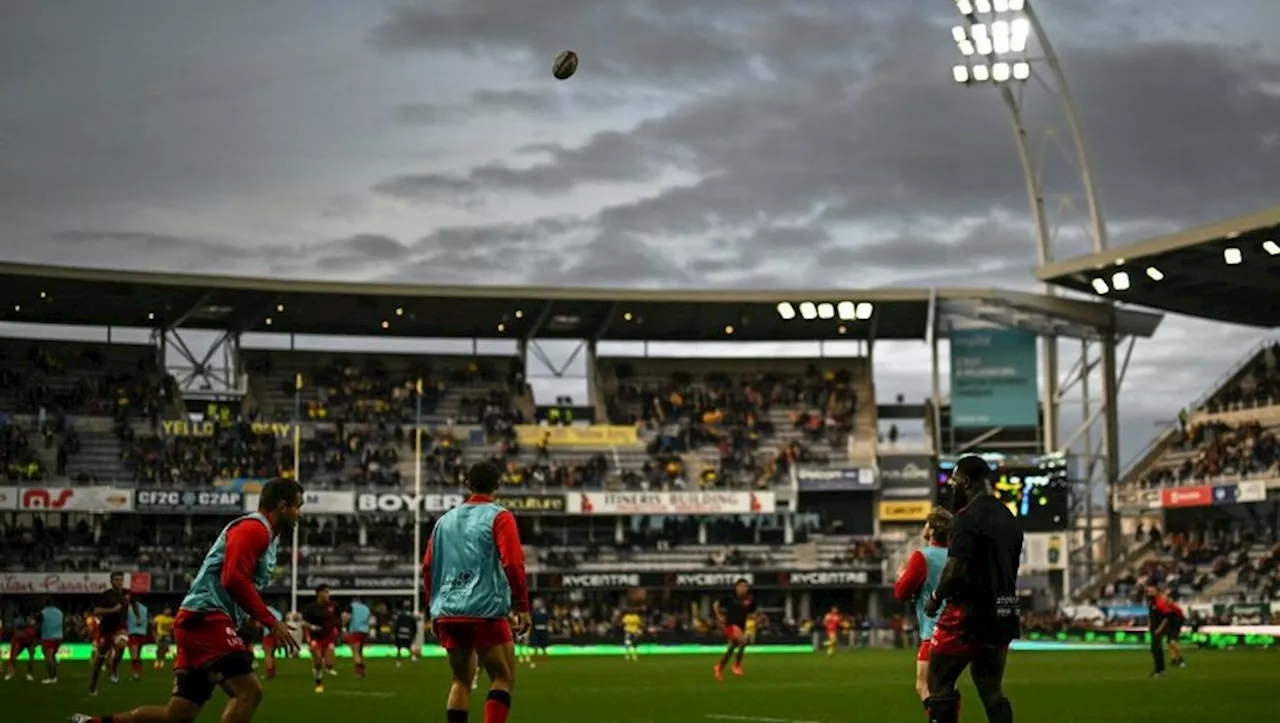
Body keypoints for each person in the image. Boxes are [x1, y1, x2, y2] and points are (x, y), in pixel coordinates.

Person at [70, 477, 304, 723]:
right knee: (249, 692)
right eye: (297, 507)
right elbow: (233, 578)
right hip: (206, 617)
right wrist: (271, 621)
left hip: (198, 621)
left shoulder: (266, 536)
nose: (299, 514)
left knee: (178, 715)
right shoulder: (254, 529)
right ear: (282, 505)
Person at [423, 461, 530, 723]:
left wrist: (434, 607)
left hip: (449, 610)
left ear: (467, 484)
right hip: (485, 610)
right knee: (503, 678)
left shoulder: (443, 521)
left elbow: (428, 567)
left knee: (460, 680)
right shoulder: (500, 516)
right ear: (498, 485)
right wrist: (522, 605)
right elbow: (513, 563)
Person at [922, 455, 1023, 723]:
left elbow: (955, 570)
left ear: (966, 482)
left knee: (938, 681)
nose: (951, 486)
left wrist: (935, 597)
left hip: (969, 612)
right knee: (991, 688)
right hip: (1004, 609)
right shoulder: (1008, 517)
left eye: (954, 481)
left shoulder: (964, 519)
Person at [893, 507, 953, 701]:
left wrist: (901, 577)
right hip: (957, 632)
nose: (924, 527)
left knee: (923, 686)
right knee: (947, 688)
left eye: (927, 524)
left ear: (933, 530)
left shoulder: (923, 556)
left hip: (933, 635)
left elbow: (901, 592)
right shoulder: (955, 556)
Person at [89, 572, 141, 695]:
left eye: (121, 580)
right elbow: (96, 610)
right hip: (106, 629)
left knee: (122, 644)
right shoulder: (106, 595)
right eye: (116, 580)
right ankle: (93, 684)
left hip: (120, 628)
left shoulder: (127, 593)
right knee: (100, 659)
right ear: (111, 581)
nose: (119, 582)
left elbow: (134, 604)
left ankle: (113, 669)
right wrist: (111, 610)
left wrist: (138, 617)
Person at [712, 578, 762, 680]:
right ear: (736, 588)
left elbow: (753, 611)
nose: (743, 588)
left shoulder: (749, 601)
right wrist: (719, 616)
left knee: (732, 648)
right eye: (741, 586)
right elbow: (716, 604)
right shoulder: (730, 598)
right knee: (743, 641)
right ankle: (736, 665)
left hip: (741, 627)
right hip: (731, 626)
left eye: (745, 586)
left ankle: (719, 667)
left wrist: (756, 619)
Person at [302, 586, 341, 693]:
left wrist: (337, 629)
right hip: (315, 637)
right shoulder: (311, 607)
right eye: (326, 592)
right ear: (319, 593)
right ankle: (318, 681)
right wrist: (312, 627)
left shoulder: (333, 606)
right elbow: (303, 622)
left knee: (329, 663)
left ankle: (327, 668)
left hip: (328, 637)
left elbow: (338, 619)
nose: (328, 594)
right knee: (318, 661)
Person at [5, 613, 38, 681]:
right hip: (19, 642)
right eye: (30, 619)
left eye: (32, 619)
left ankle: (29, 674)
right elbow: (16, 636)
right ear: (26, 620)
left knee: (32, 657)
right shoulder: (22, 627)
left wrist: (34, 644)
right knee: (13, 657)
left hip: (30, 642)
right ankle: (10, 673)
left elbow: (35, 638)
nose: (32, 621)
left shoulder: (35, 628)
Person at [38, 601, 64, 684]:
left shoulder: (43, 612)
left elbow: (39, 622)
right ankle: (54, 675)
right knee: (52, 656)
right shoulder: (59, 612)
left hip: (48, 637)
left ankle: (51, 677)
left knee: (48, 658)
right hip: (59, 637)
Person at [345, 597, 371, 679]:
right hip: (364, 632)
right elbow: (368, 619)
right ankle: (362, 670)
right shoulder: (366, 608)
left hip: (355, 630)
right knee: (360, 652)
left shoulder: (351, 606)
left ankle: (360, 672)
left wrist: (343, 625)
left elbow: (347, 617)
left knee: (355, 652)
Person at [126, 599, 150, 682]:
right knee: (138, 655)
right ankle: (138, 674)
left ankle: (136, 675)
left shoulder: (128, 608)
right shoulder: (145, 608)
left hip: (133, 633)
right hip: (142, 633)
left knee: (134, 656)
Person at [1162, 589, 1187, 669]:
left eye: (1165, 597)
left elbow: (1180, 614)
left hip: (1175, 625)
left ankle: (1180, 659)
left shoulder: (1173, 606)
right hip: (1170, 625)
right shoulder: (1166, 606)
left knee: (1172, 642)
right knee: (1170, 643)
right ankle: (1173, 659)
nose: (1163, 598)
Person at [392, 602, 417, 668]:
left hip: (400, 633)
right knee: (408, 646)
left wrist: (395, 633)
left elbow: (396, 625)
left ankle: (399, 661)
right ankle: (413, 657)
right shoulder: (411, 616)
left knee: (399, 648)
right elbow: (414, 626)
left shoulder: (400, 615)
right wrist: (413, 634)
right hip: (407, 633)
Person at [261, 605, 284, 680]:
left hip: (268, 634)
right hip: (276, 634)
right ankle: (272, 673)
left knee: (268, 655)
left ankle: (269, 674)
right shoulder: (276, 612)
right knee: (272, 655)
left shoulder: (263, 609)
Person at [528, 602, 551, 666]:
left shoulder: (537, 613)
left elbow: (547, 620)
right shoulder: (535, 613)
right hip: (537, 630)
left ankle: (544, 657)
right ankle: (538, 657)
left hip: (540, 630)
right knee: (537, 645)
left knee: (542, 645)